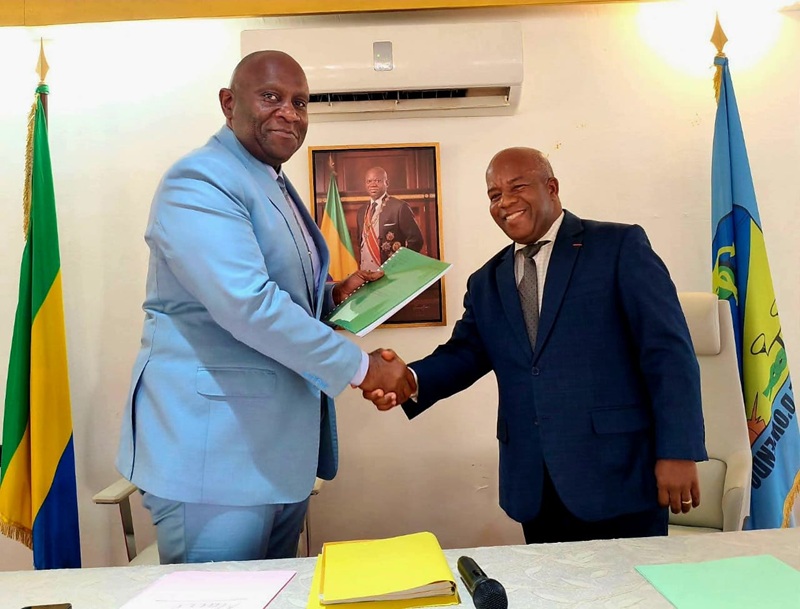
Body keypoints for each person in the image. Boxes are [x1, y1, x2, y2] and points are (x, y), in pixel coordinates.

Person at [115, 50, 413, 564]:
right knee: (221, 600)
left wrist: (334, 294)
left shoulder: (265, 178)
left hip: (276, 457)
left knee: (275, 595)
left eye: (300, 102)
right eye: (271, 97)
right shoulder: (201, 180)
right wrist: (363, 369)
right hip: (214, 461)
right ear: (229, 103)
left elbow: (278, 291)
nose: (289, 113)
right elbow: (248, 304)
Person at [367, 147, 707, 544]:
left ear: (552, 188)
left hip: (619, 476)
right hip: (535, 485)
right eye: (494, 194)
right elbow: (464, 354)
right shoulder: (487, 281)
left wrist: (678, 450)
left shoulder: (617, 246)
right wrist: (408, 378)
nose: (505, 202)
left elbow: (668, 353)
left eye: (517, 187)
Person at [355, 166, 424, 271]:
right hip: (365, 272)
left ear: (386, 183)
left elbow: (416, 240)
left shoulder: (399, 207)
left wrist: (401, 265)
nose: (372, 184)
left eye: (377, 181)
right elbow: (360, 243)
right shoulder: (361, 211)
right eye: (369, 181)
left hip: (390, 271)